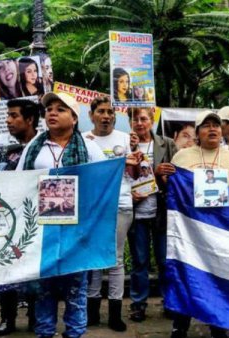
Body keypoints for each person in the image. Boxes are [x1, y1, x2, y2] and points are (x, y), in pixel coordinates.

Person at [18, 92, 105, 338]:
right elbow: (17, 182)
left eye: (60, 109)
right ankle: (44, 332)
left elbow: (101, 184)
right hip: (41, 229)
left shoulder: (89, 147)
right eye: (49, 109)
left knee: (76, 286)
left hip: (76, 229)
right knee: (44, 286)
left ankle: (75, 333)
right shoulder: (34, 147)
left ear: (75, 118)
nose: (52, 113)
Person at [170, 110, 229, 338]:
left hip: (223, 231)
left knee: (220, 278)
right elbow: (171, 191)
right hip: (191, 231)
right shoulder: (182, 157)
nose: (213, 129)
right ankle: (180, 326)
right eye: (206, 125)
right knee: (187, 275)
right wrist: (161, 175)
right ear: (197, 133)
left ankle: (218, 324)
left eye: (216, 125)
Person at [82, 96, 137, 332]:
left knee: (115, 259)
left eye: (110, 112)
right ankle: (92, 312)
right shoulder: (83, 139)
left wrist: (134, 156)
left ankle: (115, 313)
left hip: (121, 204)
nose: (106, 116)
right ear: (91, 115)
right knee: (94, 259)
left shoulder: (126, 139)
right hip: (92, 208)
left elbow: (136, 175)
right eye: (101, 111)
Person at [0, 98, 41, 336]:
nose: (8, 121)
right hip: (10, 219)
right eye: (8, 115)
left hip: (35, 218)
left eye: (13, 116)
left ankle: (35, 316)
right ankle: (7, 317)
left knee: (33, 269)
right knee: (5, 267)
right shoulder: (9, 152)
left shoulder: (43, 148)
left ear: (29, 119)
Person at [127, 107, 178, 322]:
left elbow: (176, 174)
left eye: (144, 118)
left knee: (165, 260)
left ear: (151, 120)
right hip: (135, 211)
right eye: (135, 119)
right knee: (139, 261)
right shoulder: (125, 145)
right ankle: (138, 304)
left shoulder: (167, 143)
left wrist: (159, 176)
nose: (139, 123)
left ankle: (170, 302)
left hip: (161, 211)